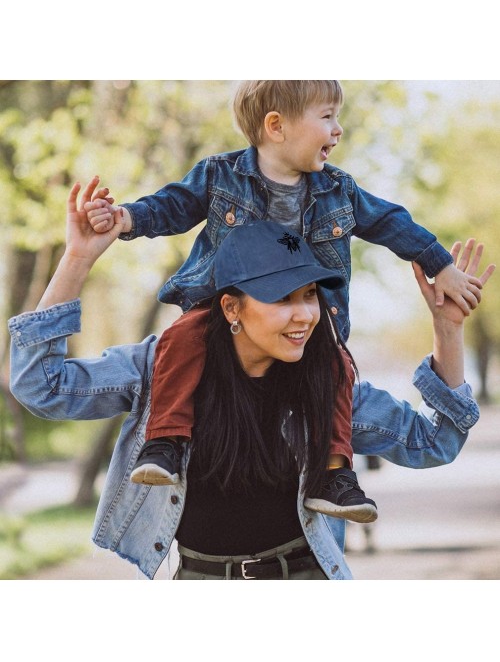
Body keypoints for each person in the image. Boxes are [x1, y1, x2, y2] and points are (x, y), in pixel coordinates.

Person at [8, 178, 494, 580]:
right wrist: (76, 260)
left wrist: (446, 330)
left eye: (310, 295)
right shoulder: (162, 369)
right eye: (282, 298)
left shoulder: (325, 384)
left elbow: (436, 441)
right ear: (232, 308)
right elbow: (41, 386)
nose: (305, 314)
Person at [83, 81, 483, 521]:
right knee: (180, 339)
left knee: (337, 368)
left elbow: (390, 221)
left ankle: (333, 474)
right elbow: (173, 205)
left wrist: (438, 264)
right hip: (221, 311)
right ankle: (166, 443)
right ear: (276, 125)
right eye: (327, 116)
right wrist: (127, 218)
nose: (338, 129)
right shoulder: (220, 175)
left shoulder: (340, 192)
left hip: (307, 323)